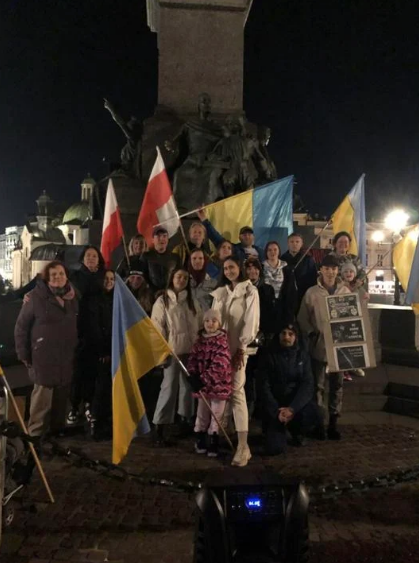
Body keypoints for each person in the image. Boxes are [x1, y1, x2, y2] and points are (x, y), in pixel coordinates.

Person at [14, 261, 78, 438]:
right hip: (43, 358)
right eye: (54, 275)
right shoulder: (35, 297)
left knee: (60, 404)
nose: (58, 277)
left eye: (61, 274)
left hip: (65, 358)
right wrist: (24, 354)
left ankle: (55, 440)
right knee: (41, 404)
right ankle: (34, 442)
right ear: (47, 278)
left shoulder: (72, 297)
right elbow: (21, 328)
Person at [211, 256, 260, 467]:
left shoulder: (250, 292)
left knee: (237, 392)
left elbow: (251, 321)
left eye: (232, 266)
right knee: (225, 392)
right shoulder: (221, 292)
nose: (229, 270)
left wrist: (241, 348)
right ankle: (227, 432)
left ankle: (243, 445)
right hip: (220, 350)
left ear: (239, 268)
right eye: (225, 268)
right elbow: (213, 320)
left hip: (237, 350)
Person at [298, 254, 351, 440]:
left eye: (334, 269)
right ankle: (319, 423)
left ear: (338, 271)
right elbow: (303, 318)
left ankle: (334, 423)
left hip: (339, 348)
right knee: (317, 387)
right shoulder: (312, 292)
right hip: (318, 347)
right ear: (321, 270)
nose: (331, 272)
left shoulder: (345, 291)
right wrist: (312, 334)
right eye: (327, 269)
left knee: (337, 387)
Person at [151, 268, 203, 445]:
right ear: (171, 278)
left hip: (190, 352)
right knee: (169, 388)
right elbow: (157, 329)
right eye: (178, 276)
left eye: (185, 277)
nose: (181, 280)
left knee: (187, 388)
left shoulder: (192, 301)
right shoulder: (162, 301)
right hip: (172, 352)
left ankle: (184, 420)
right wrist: (161, 353)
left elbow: (199, 324)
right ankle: (160, 424)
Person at [258, 323, 324, 455]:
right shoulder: (268, 355)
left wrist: (292, 408)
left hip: (294, 404)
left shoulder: (302, 356)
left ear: (296, 337)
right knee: (275, 449)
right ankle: (275, 430)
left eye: (291, 334)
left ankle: (298, 431)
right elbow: (263, 386)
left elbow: (307, 384)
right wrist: (277, 411)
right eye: (283, 333)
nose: (286, 337)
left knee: (316, 412)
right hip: (275, 406)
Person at [67, 246, 106, 426]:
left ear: (99, 259)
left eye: (94, 256)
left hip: (97, 331)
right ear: (83, 259)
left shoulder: (104, 276)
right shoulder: (75, 277)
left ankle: (89, 404)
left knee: (93, 371)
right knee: (77, 372)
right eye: (88, 256)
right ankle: (74, 406)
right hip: (78, 331)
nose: (91, 258)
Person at [187, 309, 232, 458]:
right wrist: (192, 373)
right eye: (207, 321)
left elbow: (220, 364)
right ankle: (200, 439)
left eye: (214, 321)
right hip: (203, 388)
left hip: (218, 386)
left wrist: (203, 378)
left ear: (219, 323)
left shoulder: (222, 342)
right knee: (202, 414)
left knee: (216, 415)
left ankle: (214, 440)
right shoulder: (199, 341)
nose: (210, 324)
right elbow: (193, 358)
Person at [84, 270, 115, 440]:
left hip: (113, 349)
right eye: (106, 278)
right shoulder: (94, 300)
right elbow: (94, 327)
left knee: (108, 389)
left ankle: (105, 422)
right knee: (99, 389)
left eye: (112, 279)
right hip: (100, 351)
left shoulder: (115, 299)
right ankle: (96, 424)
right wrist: (103, 350)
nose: (109, 281)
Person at [197, 209, 264, 262]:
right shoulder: (232, 248)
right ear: (239, 237)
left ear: (253, 237)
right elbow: (215, 237)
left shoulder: (262, 251)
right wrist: (204, 220)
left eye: (249, 234)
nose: (247, 236)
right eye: (244, 234)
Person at [341, 262, 369, 379]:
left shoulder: (360, 288)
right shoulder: (340, 286)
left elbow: (362, 305)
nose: (349, 274)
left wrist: (364, 297)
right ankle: (343, 369)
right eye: (346, 271)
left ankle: (355, 366)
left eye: (351, 271)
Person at [139, 226, 182, 296]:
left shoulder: (175, 258)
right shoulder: (146, 256)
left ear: (168, 239)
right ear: (152, 240)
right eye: (158, 236)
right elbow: (143, 277)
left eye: (164, 236)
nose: (162, 239)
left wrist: (169, 291)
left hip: (170, 295)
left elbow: (179, 277)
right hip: (151, 296)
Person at [262, 241, 298, 322]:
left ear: (279, 251)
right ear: (266, 252)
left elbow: (292, 291)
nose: (272, 252)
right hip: (265, 308)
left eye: (275, 249)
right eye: (269, 250)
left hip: (283, 308)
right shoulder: (261, 268)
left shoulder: (287, 268)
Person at [281, 233, 318, 307]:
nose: (294, 244)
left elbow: (313, 279)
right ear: (288, 243)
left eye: (297, 242)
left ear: (301, 244)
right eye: (292, 242)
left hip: (303, 296)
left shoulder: (308, 260)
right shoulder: (282, 259)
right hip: (286, 296)